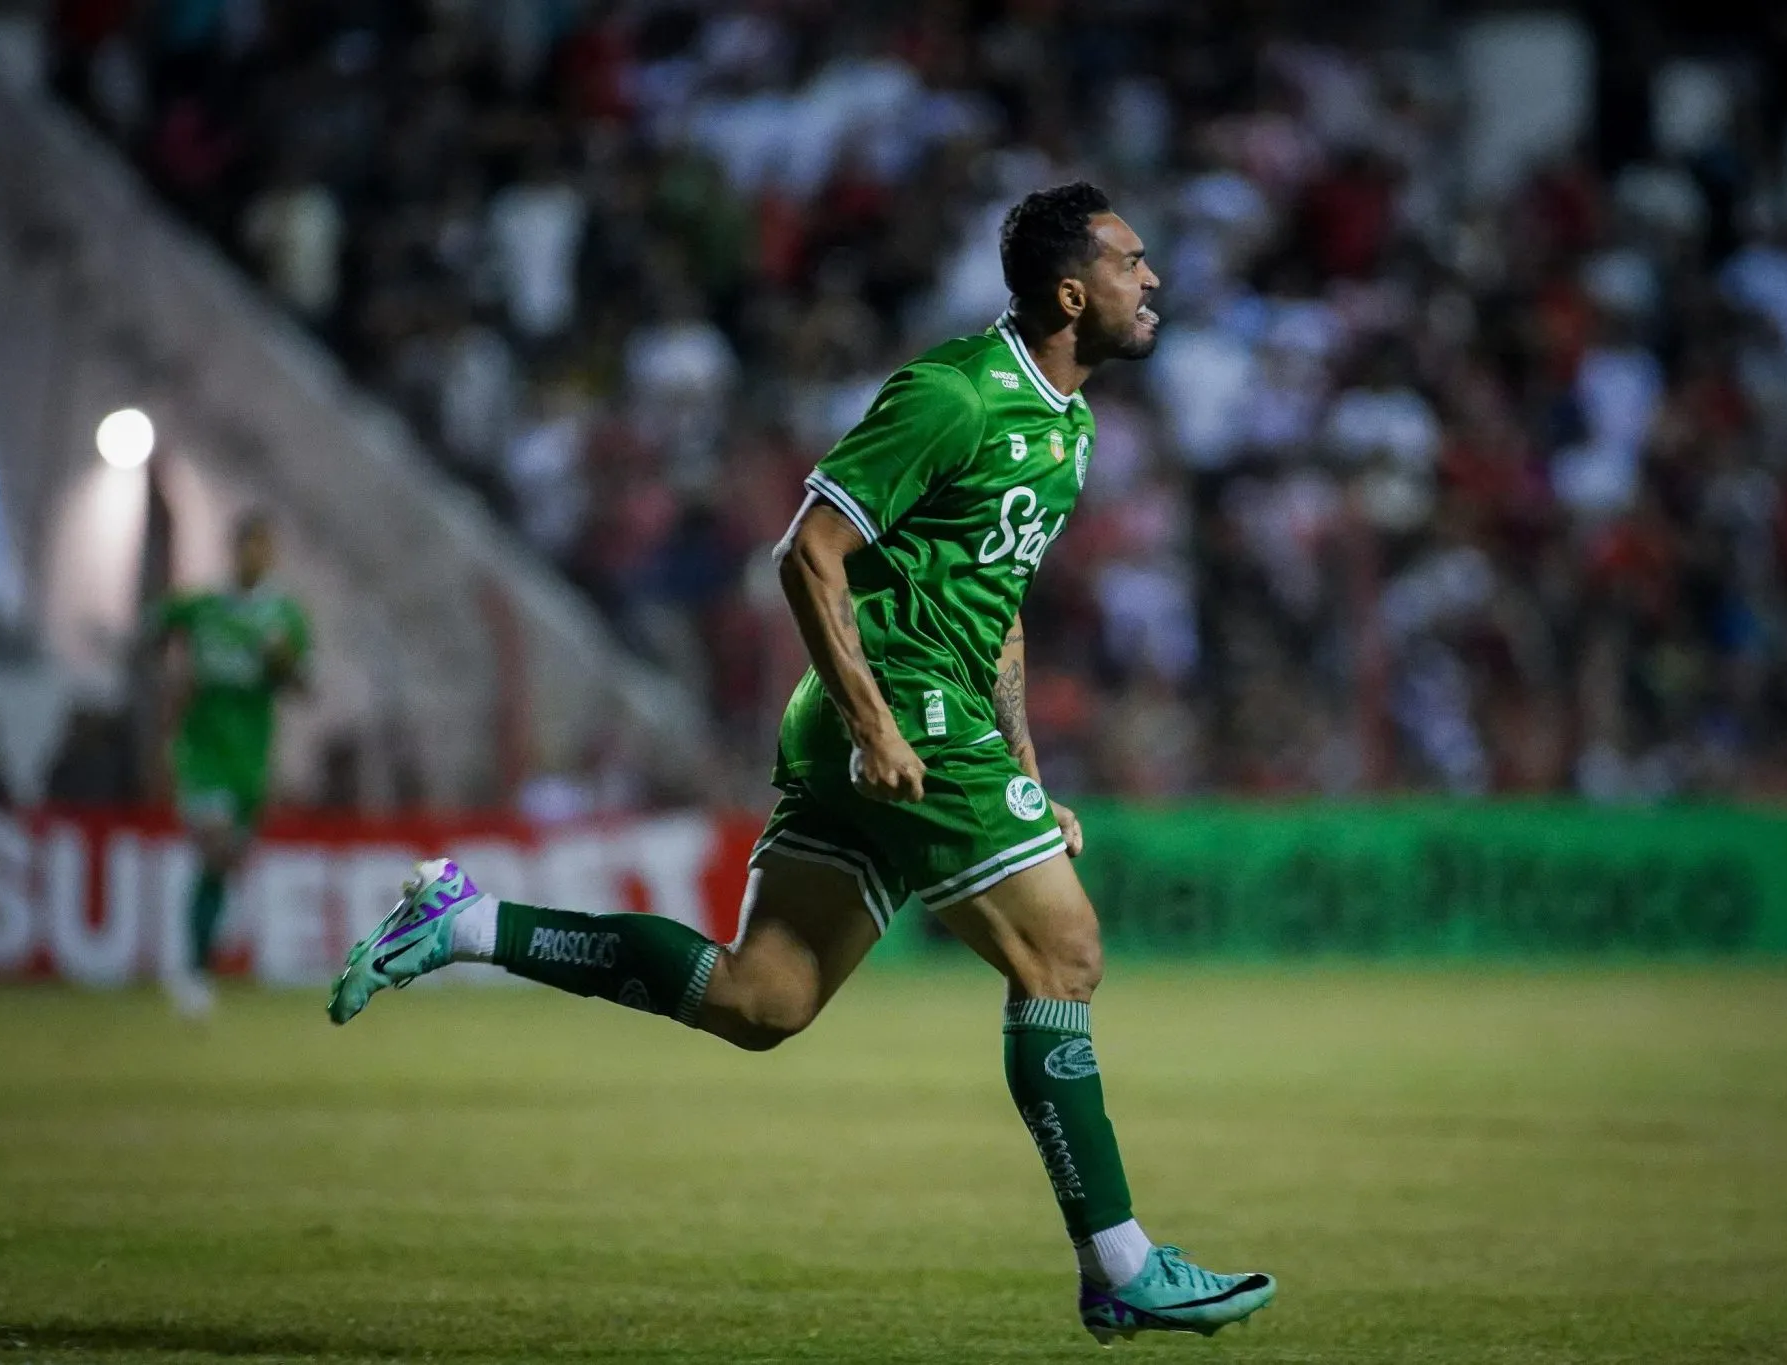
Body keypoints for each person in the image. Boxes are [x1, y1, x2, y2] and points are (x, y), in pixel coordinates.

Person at [329, 183, 1277, 1342]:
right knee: (1064, 954)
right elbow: (806, 552)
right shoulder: (952, 393)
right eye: (1133, 263)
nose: (1155, 280)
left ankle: (465, 923)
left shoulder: (1068, 428)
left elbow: (996, 601)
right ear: (1072, 292)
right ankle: (1119, 1264)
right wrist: (878, 722)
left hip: (924, 711)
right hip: (893, 703)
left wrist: (1026, 762)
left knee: (758, 999)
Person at [149, 512, 310, 1017]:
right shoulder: (201, 607)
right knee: (216, 849)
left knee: (221, 868)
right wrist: (169, 692)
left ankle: (195, 964)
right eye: (247, 547)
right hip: (202, 755)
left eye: (263, 548)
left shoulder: (286, 617)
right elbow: (150, 630)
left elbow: (302, 687)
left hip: (252, 762)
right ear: (233, 549)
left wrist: (282, 665)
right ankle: (191, 971)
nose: (254, 557)